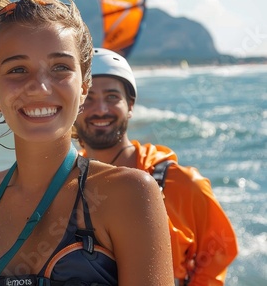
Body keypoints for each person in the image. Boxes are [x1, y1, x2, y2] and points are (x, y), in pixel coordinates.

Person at [0, 0, 174, 286]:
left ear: (84, 86)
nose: (40, 87)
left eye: (60, 67)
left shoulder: (130, 193)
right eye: (18, 69)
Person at [73, 48, 239, 285]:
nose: (101, 109)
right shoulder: (64, 181)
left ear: (130, 106)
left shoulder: (180, 182)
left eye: (112, 97)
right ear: (73, 106)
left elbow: (219, 247)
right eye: (88, 99)